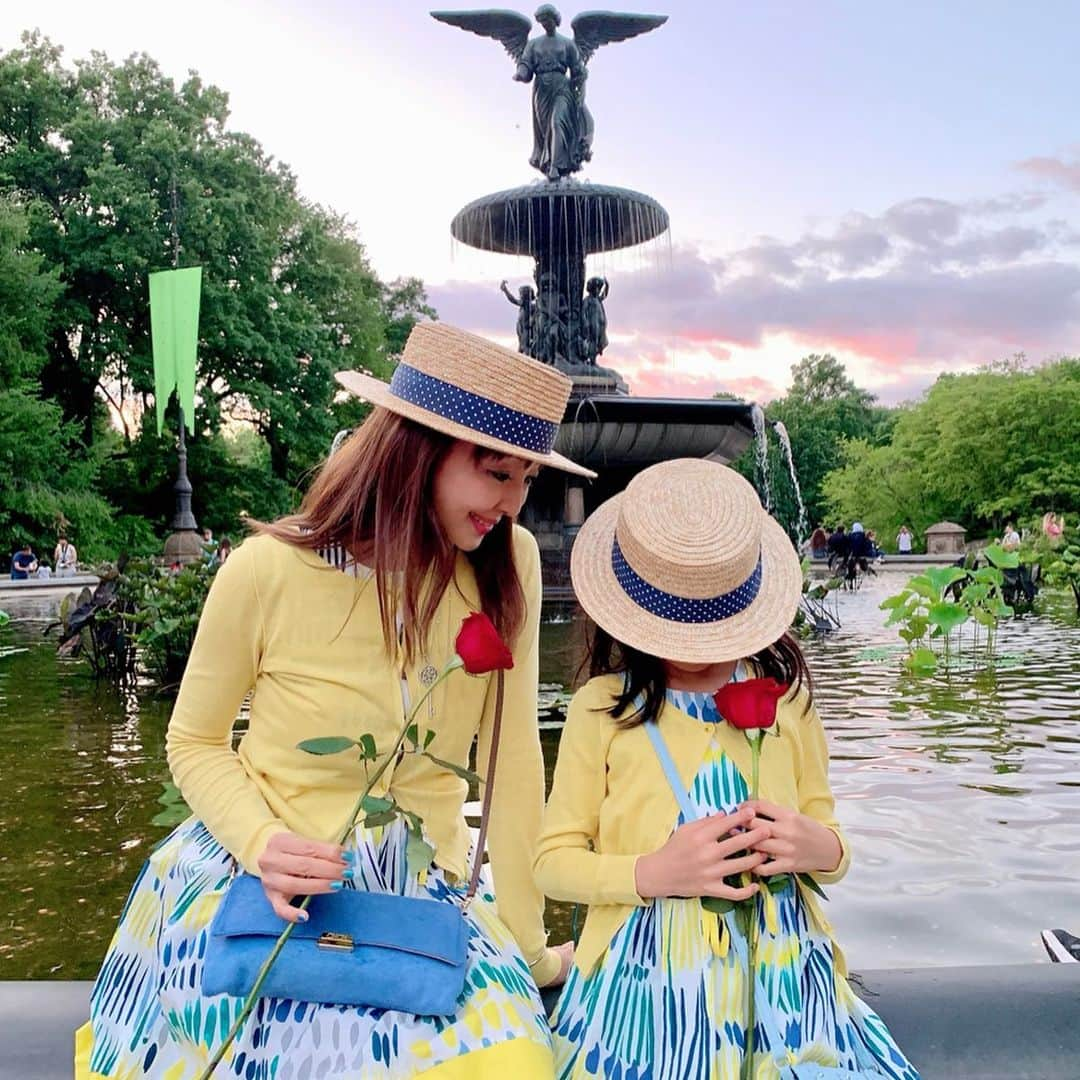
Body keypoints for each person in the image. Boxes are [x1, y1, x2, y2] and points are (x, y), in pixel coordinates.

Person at [76, 324, 595, 1079]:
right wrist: (260, 842)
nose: (511, 503)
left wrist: (530, 946)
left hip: (424, 891)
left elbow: (514, 768)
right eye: (495, 474)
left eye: (526, 480)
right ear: (418, 451)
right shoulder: (265, 570)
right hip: (268, 884)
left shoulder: (506, 560)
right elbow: (192, 742)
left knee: (510, 1063)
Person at [535, 460, 920, 1078]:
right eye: (680, 630)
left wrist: (811, 845)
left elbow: (835, 844)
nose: (699, 651)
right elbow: (552, 864)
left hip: (782, 977)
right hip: (646, 984)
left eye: (716, 629)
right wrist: (654, 871)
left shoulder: (786, 702)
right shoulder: (603, 708)